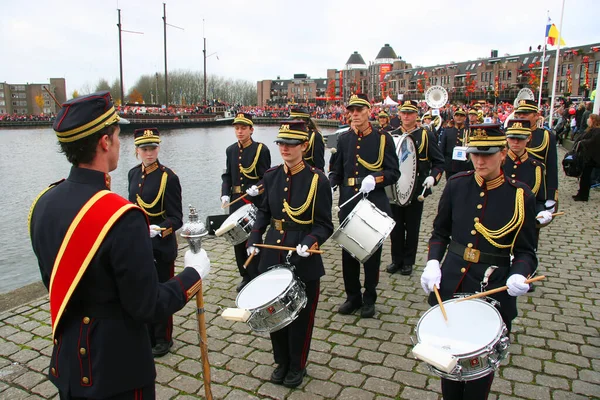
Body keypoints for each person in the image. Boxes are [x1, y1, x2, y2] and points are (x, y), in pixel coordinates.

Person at [29, 91, 210, 399]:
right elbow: (147, 305)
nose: (119, 142)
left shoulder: (42, 204)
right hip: (118, 370)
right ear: (104, 142)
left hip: (69, 363)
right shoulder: (123, 218)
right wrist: (193, 275)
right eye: (117, 134)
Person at [421, 123, 538, 400]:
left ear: (503, 154)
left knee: (478, 373)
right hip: (452, 281)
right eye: (475, 154)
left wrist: (519, 274)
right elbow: (440, 232)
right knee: (448, 364)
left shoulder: (520, 196)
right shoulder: (456, 185)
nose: (480, 161)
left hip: (493, 285)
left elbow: (526, 251)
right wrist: (433, 262)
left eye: (487, 154)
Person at [247, 121, 333, 388]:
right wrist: (254, 236)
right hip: (273, 252)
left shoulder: (318, 180)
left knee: (301, 316)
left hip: (302, 254)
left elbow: (324, 225)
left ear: (304, 146)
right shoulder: (271, 176)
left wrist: (309, 241)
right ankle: (281, 361)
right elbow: (264, 211)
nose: (284, 148)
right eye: (281, 143)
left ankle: (297, 364)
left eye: (291, 144)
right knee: (273, 312)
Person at [329, 93, 399, 318]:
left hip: (372, 200)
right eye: (352, 110)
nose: (355, 114)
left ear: (369, 111)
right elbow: (336, 170)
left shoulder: (383, 139)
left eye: (360, 110)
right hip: (349, 200)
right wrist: (329, 184)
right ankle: (352, 296)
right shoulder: (343, 139)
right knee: (349, 252)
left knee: (371, 253)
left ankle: (369, 297)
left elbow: (393, 172)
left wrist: (376, 179)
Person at [128, 128, 183, 357]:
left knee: (161, 291)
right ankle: (147, 333)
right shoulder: (132, 174)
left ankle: (163, 337)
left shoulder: (168, 177)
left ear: (158, 148)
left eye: (152, 148)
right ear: (137, 151)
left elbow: (177, 218)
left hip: (161, 245)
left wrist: (159, 229)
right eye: (144, 149)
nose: (149, 153)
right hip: (139, 245)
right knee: (142, 290)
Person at [386, 100, 444, 276]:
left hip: (416, 187)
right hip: (396, 187)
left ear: (416, 115)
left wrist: (433, 177)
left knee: (412, 226)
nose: (406, 116)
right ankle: (396, 259)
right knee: (395, 227)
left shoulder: (426, 136)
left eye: (410, 113)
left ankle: (408, 261)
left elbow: (439, 162)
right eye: (403, 113)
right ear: (399, 115)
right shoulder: (391, 135)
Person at [221, 112, 271, 291]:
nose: (240, 132)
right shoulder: (231, 150)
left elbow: (267, 177)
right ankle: (244, 275)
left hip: (253, 201)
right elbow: (227, 175)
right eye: (237, 128)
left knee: (252, 240)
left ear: (251, 129)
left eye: (243, 128)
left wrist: (258, 188)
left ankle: (256, 273)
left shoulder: (261, 150)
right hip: (235, 201)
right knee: (237, 240)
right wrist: (225, 193)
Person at [514, 99, 558, 214]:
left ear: (536, 116)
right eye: (519, 114)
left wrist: (551, 196)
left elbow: (551, 167)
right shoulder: (508, 134)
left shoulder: (546, 136)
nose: (521, 116)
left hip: (536, 189)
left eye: (526, 114)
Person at [573, 113, 600, 201]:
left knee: (586, 177)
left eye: (589, 118)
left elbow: (592, 143)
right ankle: (581, 193)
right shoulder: (591, 130)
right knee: (584, 177)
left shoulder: (597, 131)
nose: (588, 119)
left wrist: (582, 142)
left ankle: (583, 195)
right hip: (587, 157)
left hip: (591, 158)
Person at [439, 108, 472, 179]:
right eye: (457, 115)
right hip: (450, 165)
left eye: (461, 116)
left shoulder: (469, 131)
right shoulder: (447, 131)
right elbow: (442, 148)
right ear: (453, 117)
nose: (459, 117)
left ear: (465, 118)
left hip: (465, 165)